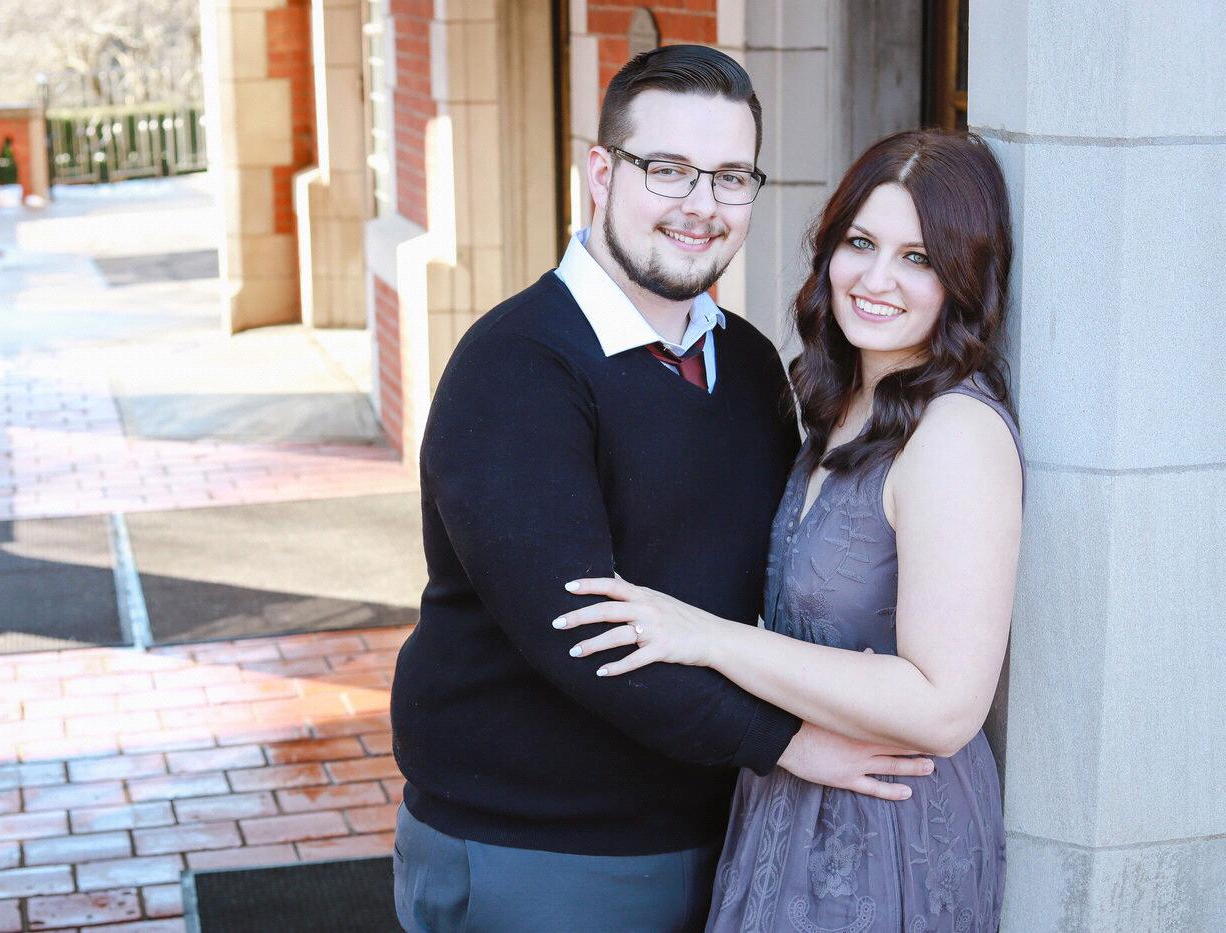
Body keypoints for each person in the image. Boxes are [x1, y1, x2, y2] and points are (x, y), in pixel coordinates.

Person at [389, 46, 932, 932]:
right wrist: (793, 742)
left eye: (730, 178)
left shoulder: (749, 365)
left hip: (724, 826)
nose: (700, 205)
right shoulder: (516, 367)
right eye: (668, 169)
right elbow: (583, 633)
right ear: (602, 173)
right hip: (540, 850)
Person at [553, 129, 1022, 930]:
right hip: (791, 795)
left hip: (889, 827)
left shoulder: (956, 434)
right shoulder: (844, 401)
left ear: (964, 277)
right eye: (861, 243)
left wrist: (706, 637)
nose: (876, 279)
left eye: (918, 257)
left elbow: (945, 704)